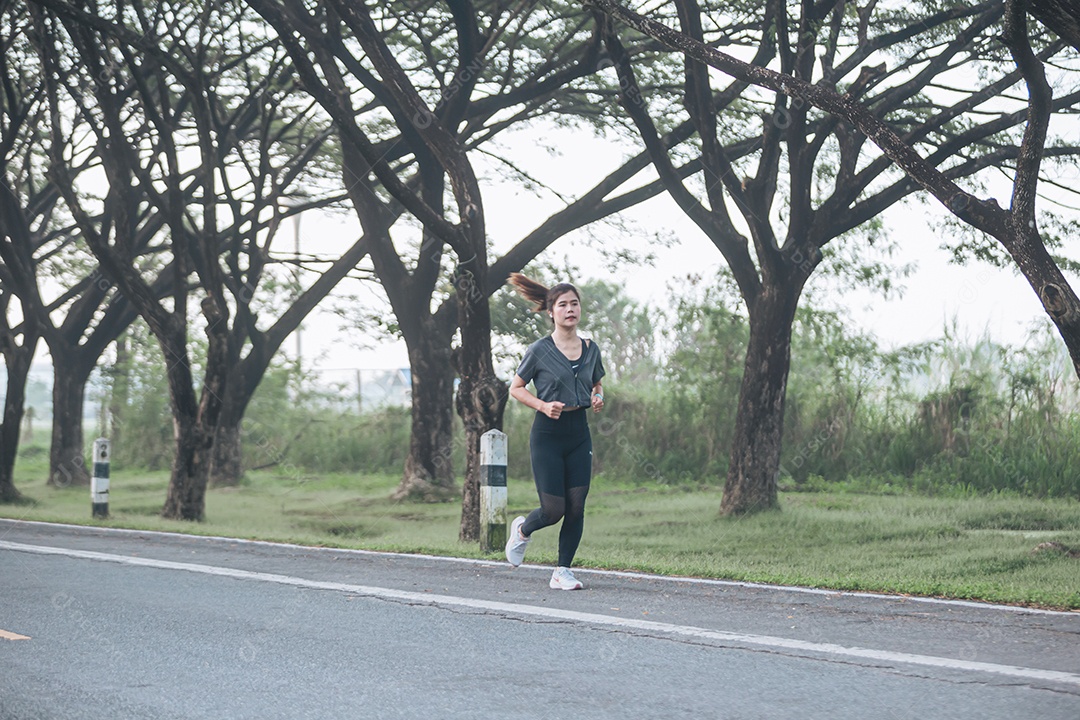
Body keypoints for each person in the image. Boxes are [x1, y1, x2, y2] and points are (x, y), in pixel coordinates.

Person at [504, 273, 605, 590]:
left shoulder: (590, 348)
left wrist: (598, 395)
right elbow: (516, 389)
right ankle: (522, 530)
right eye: (563, 304)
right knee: (553, 510)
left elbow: (597, 382)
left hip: (579, 432)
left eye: (574, 303)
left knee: (577, 505)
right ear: (551, 311)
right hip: (547, 433)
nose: (570, 309)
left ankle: (562, 570)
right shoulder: (539, 350)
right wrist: (542, 405)